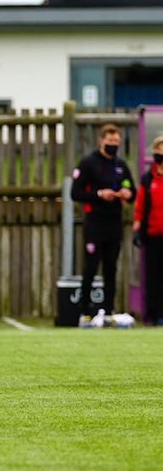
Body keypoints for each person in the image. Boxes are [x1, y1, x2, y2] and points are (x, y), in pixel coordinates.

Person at [71, 123, 135, 325]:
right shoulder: (88, 163)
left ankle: (108, 311)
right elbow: (76, 193)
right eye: (110, 142)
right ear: (101, 141)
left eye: (116, 142)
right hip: (94, 223)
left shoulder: (120, 165)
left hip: (114, 223)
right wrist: (99, 194)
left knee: (111, 268)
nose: (113, 145)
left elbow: (131, 189)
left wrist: (127, 193)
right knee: (90, 267)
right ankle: (84, 313)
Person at [133, 135, 163, 326]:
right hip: (152, 235)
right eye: (158, 150)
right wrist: (137, 229)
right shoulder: (147, 177)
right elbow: (140, 206)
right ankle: (152, 315)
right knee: (153, 277)